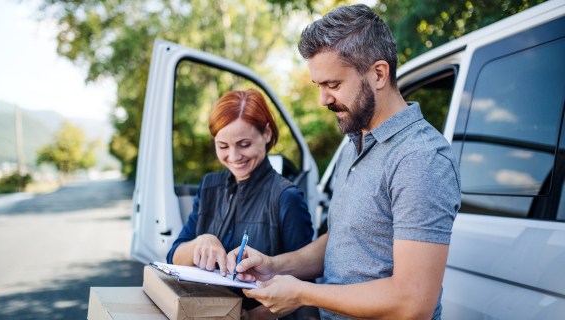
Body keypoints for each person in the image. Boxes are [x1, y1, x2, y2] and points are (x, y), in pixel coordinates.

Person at [226, 5, 460, 320]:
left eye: (333, 85)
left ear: (379, 74)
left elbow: (413, 303)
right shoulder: (354, 141)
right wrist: (273, 266)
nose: (322, 99)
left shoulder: (420, 158)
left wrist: (301, 293)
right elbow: (343, 241)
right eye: (318, 86)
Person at [167, 89, 314, 320]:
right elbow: (173, 257)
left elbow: (304, 285)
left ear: (266, 133)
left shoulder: (286, 198)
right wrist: (200, 242)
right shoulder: (209, 187)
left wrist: (251, 316)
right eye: (223, 146)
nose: (234, 156)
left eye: (244, 144)